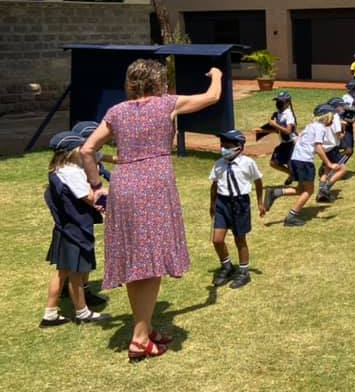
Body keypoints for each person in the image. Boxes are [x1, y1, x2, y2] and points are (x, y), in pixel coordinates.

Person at [80, 59, 222, 362]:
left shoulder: (116, 112)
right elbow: (212, 97)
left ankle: (143, 327)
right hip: (155, 186)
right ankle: (140, 339)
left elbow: (86, 149)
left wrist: (96, 186)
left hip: (124, 186)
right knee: (152, 262)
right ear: (158, 82)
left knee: (136, 261)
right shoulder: (166, 104)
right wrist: (218, 74)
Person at [40, 131, 110, 328]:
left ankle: (50, 314)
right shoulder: (71, 172)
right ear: (72, 152)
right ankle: (82, 312)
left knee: (62, 272)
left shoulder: (59, 169)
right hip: (75, 230)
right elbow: (90, 198)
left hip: (65, 228)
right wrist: (111, 194)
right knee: (76, 274)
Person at [264, 105, 344, 224]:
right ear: (326, 117)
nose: (333, 119)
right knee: (309, 191)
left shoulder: (310, 126)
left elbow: (299, 138)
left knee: (301, 189)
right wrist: (330, 164)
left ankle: (275, 193)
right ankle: (291, 217)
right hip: (304, 161)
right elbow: (318, 147)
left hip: (295, 159)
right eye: (332, 117)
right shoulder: (321, 128)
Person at [209, 130, 264, 289]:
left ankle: (244, 272)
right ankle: (226, 266)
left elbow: (258, 181)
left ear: (239, 147)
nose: (223, 149)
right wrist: (212, 204)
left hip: (240, 203)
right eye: (222, 145)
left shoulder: (248, 163)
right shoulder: (219, 164)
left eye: (227, 146)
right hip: (222, 203)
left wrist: (260, 202)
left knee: (239, 239)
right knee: (217, 239)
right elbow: (214, 185)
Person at [257, 91, 296, 186]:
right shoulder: (278, 113)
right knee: (273, 163)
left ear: (287, 103)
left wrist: (275, 124)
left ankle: (299, 182)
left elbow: (288, 131)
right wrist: (261, 131)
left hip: (292, 144)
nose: (278, 103)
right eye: (277, 101)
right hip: (284, 143)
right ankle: (292, 174)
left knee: (293, 166)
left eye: (281, 101)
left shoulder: (288, 114)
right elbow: (277, 130)